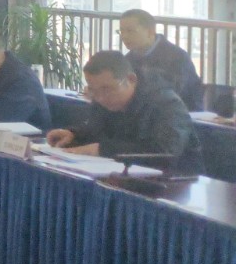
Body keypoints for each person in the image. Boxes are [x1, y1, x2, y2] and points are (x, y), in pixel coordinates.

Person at [46, 50, 203, 174]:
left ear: (131, 80)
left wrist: (102, 150)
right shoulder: (102, 99)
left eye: (107, 89)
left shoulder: (166, 103)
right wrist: (74, 136)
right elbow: (96, 131)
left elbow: (166, 153)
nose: (100, 97)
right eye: (93, 90)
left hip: (175, 180)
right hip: (121, 175)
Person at [119, 8, 204, 111]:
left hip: (180, 113)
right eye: (121, 31)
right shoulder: (128, 59)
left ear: (150, 32)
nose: (124, 36)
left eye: (130, 31)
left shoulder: (177, 57)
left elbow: (176, 93)